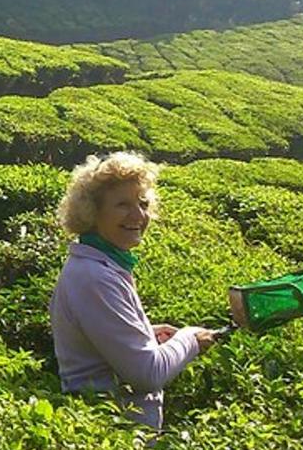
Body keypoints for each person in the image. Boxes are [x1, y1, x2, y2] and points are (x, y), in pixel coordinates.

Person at [49, 151, 218, 430]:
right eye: (122, 205)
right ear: (92, 212)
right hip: (113, 435)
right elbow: (147, 373)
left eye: (142, 203)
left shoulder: (100, 266)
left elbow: (98, 344)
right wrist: (190, 338)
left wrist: (144, 333)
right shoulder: (95, 278)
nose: (138, 215)